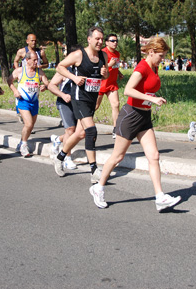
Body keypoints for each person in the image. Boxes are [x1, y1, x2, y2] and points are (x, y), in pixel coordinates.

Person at [89, 37, 181, 212]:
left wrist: (150, 100)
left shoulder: (154, 66)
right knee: (117, 157)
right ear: (151, 52)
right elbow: (127, 90)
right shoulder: (142, 67)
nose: (163, 59)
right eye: (161, 55)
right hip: (131, 116)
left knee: (153, 155)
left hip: (144, 117)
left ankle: (160, 197)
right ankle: (98, 187)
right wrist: (152, 99)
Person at [52, 26, 108, 181]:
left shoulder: (103, 55)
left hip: (91, 98)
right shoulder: (78, 55)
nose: (100, 42)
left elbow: (105, 76)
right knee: (91, 131)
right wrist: (74, 78)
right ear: (89, 39)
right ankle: (94, 170)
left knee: (80, 133)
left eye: (102, 39)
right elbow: (59, 67)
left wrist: (105, 74)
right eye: (97, 39)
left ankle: (60, 157)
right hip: (79, 98)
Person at [48, 46, 84, 171]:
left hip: (79, 103)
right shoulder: (64, 70)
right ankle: (67, 158)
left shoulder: (84, 69)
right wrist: (63, 95)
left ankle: (58, 140)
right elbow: (51, 85)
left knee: (78, 133)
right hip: (65, 103)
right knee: (70, 130)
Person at [7, 50, 50, 157]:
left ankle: (21, 143)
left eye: (38, 60)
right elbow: (9, 81)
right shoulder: (20, 71)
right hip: (23, 102)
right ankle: (24, 145)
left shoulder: (39, 72)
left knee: (31, 126)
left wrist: (44, 87)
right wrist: (15, 91)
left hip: (34, 102)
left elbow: (47, 83)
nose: (37, 62)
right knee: (29, 124)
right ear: (27, 60)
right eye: (34, 60)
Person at [95, 34, 123, 139]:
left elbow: (115, 66)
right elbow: (98, 68)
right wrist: (110, 64)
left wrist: (119, 73)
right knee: (95, 107)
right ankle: (82, 124)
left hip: (112, 84)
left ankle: (116, 129)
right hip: (101, 84)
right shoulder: (102, 53)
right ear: (106, 42)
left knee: (116, 105)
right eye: (112, 41)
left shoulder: (117, 54)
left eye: (116, 41)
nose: (115, 42)